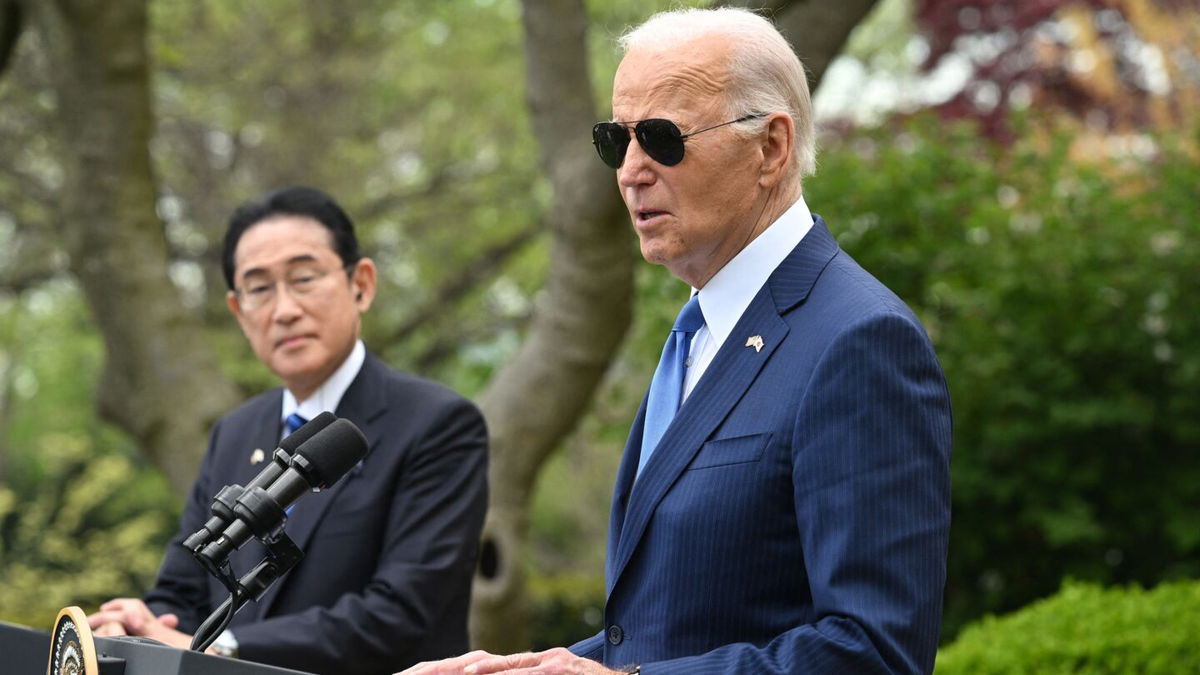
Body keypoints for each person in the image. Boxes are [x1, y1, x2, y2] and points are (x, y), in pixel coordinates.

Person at [401, 7, 951, 675]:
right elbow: (665, 632)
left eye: (662, 137)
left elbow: (876, 652)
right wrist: (533, 668)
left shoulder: (859, 341)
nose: (630, 170)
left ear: (771, 148)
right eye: (615, 140)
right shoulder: (701, 332)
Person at [87, 186, 489, 675]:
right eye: (259, 289)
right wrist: (138, 626)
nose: (284, 310)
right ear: (238, 312)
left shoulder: (437, 423)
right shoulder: (234, 432)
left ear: (360, 284)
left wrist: (223, 647)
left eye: (303, 278)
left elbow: (399, 614)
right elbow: (184, 589)